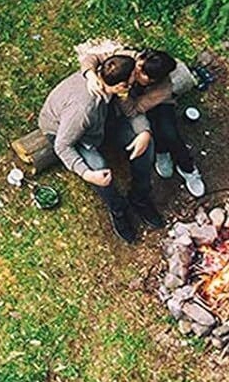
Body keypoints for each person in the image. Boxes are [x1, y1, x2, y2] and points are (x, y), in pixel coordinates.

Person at [38, 52, 161, 244]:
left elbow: (130, 109)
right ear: (121, 85)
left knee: (146, 144)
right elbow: (62, 145)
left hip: (100, 122)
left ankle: (139, 197)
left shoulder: (110, 79)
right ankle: (118, 209)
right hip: (71, 134)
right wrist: (86, 173)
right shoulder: (83, 109)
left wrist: (144, 132)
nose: (135, 79)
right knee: (99, 170)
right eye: (132, 80)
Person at [127, 49, 205, 198]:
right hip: (134, 103)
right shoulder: (133, 59)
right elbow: (95, 58)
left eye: (142, 74)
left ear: (153, 80)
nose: (137, 72)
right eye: (138, 66)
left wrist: (124, 94)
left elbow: (137, 108)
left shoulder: (163, 88)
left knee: (169, 132)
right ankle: (162, 151)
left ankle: (187, 168)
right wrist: (90, 74)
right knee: (154, 130)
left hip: (153, 103)